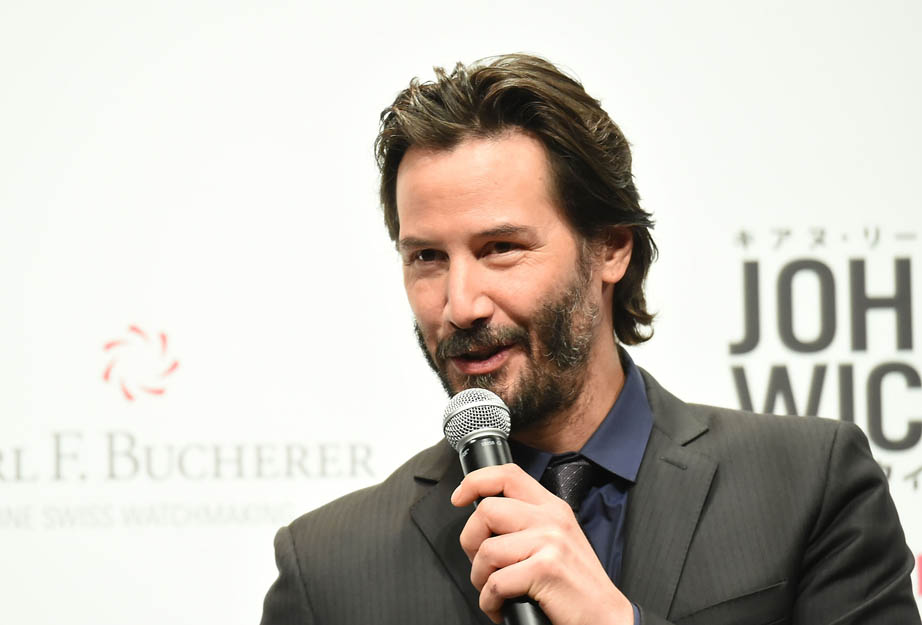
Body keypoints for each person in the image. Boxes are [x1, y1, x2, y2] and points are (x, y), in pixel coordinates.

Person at [259, 54, 919, 624]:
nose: (460, 305)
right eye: (427, 257)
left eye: (500, 247)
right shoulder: (328, 566)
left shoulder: (808, 484)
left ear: (610, 248)